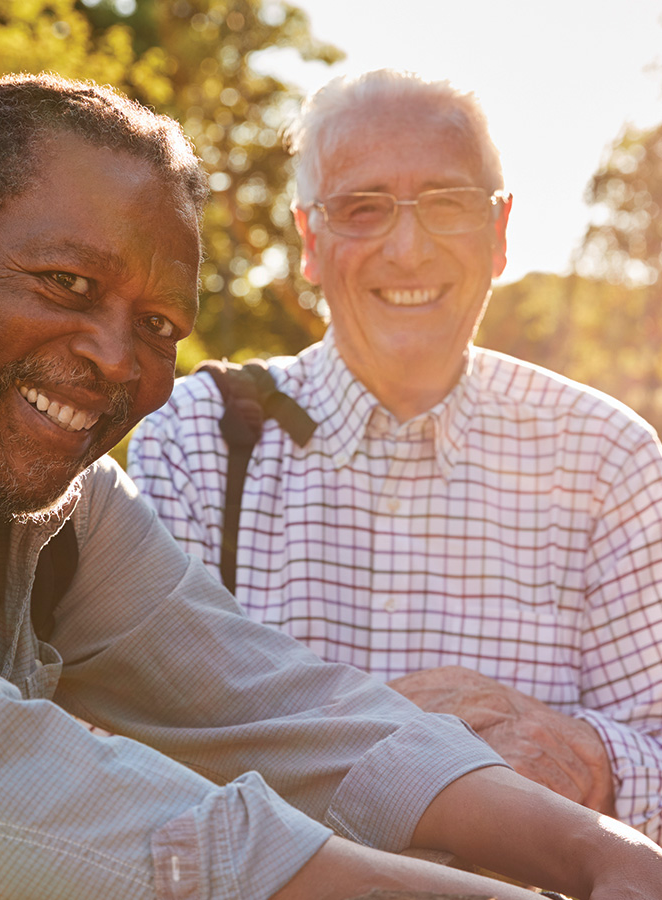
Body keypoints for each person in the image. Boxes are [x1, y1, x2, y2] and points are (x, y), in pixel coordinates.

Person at [0, 73, 660, 900]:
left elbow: (279, 705)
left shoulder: (68, 506)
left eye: (157, 324)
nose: (116, 357)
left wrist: (608, 855)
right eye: (66, 282)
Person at [128, 69, 662, 843]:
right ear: (311, 241)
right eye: (362, 208)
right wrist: (388, 751)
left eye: (446, 204)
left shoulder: (611, 461)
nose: (407, 250)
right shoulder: (198, 442)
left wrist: (584, 757)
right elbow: (138, 753)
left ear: (501, 232)